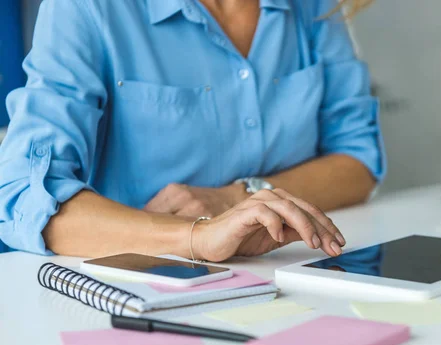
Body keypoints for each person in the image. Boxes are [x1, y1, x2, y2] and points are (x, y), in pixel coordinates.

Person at [0, 0, 385, 260]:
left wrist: (235, 198)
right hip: (138, 295)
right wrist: (198, 237)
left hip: (284, 277)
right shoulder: (89, 8)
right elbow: (25, 198)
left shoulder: (315, 8)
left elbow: (358, 161)